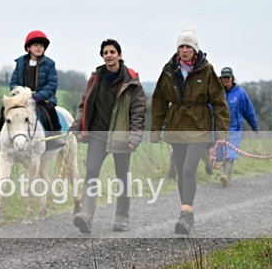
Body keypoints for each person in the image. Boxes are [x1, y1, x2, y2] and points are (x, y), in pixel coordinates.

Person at [151, 27, 229, 235]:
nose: (184, 50)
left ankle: (186, 213)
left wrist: (222, 132)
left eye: (188, 46)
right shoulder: (169, 70)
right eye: (181, 46)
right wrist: (155, 130)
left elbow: (219, 102)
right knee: (180, 172)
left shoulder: (207, 70)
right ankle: (186, 212)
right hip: (176, 126)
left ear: (195, 50)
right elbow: (159, 100)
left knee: (188, 169)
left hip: (199, 127)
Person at [70, 39, 146, 233]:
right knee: (92, 171)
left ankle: (122, 216)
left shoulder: (131, 82)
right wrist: (76, 126)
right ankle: (86, 215)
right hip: (97, 133)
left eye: (112, 52)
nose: (109, 55)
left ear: (119, 55)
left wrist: (135, 137)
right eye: (105, 52)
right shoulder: (95, 78)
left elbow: (138, 113)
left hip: (121, 136)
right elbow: (84, 104)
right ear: (102, 56)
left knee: (122, 176)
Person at [0, 30, 62, 149]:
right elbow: (14, 82)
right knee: (4, 109)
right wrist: (20, 94)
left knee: (50, 110)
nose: (39, 47)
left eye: (41, 45)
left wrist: (38, 96)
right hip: (22, 99)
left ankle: (56, 136)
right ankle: (1, 138)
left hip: (42, 99)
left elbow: (52, 84)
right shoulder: (20, 62)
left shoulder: (50, 64)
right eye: (35, 45)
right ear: (28, 48)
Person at [215, 67, 259, 186]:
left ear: (232, 78)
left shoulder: (240, 93)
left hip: (234, 128)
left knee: (230, 154)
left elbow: (248, 111)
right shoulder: (216, 92)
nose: (226, 80)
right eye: (223, 77)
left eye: (228, 77)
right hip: (219, 128)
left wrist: (254, 126)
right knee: (219, 154)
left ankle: (226, 176)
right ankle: (224, 175)